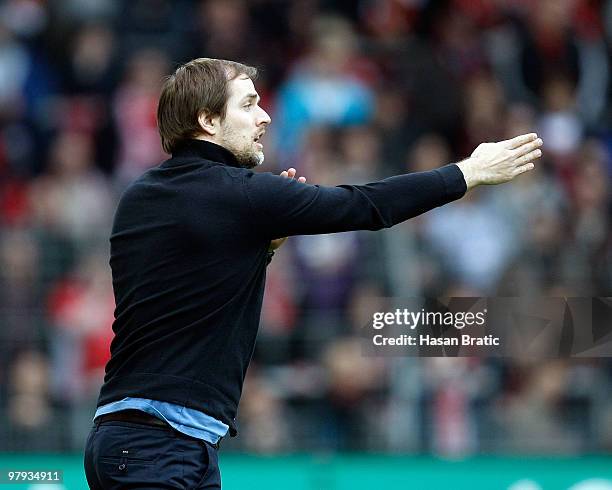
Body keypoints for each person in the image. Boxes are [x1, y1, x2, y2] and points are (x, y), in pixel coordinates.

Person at [83, 58, 543, 489]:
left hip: (135, 439)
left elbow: (184, 287)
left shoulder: (140, 195)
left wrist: (259, 249)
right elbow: (366, 205)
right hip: (161, 446)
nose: (265, 117)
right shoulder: (240, 195)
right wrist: (468, 172)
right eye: (248, 104)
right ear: (207, 120)